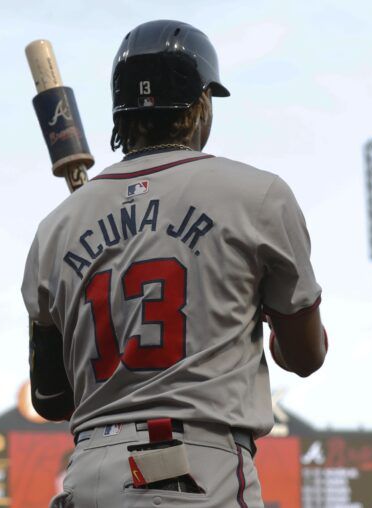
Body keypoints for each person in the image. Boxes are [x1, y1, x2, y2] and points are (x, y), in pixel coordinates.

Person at [22, 19, 328, 508]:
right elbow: (307, 357)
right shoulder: (257, 195)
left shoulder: (56, 226)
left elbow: (51, 399)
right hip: (197, 471)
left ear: (120, 113)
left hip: (89, 475)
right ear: (201, 104)